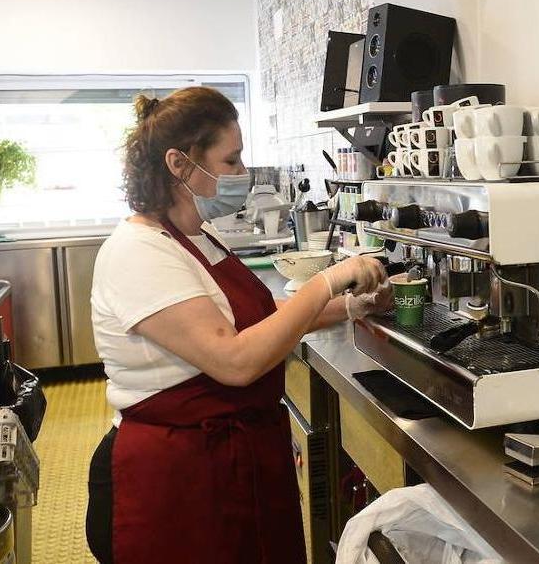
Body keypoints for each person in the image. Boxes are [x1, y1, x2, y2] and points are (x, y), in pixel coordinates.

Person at [84, 87, 391, 563]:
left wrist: (353, 308)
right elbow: (235, 360)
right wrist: (327, 283)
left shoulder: (197, 238)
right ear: (179, 164)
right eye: (231, 160)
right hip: (177, 478)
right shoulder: (137, 251)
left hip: (234, 462)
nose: (242, 174)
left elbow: (267, 318)